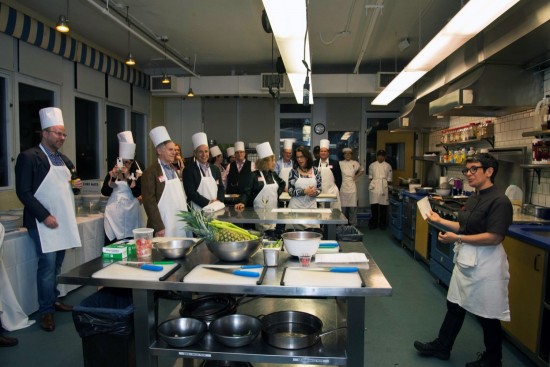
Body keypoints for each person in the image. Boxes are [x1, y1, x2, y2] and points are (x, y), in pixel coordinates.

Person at [414, 153, 513, 367]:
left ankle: (493, 359)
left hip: (487, 263)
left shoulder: (500, 201)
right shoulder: (474, 196)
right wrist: (440, 220)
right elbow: (464, 226)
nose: (468, 174)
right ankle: (442, 346)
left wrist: (456, 238)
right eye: (466, 170)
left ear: (489, 171)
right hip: (467, 259)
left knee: (487, 313)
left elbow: (494, 237)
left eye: (473, 169)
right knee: (455, 304)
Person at [15, 107, 82, 332]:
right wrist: (44, 216)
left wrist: (76, 188)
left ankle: (53, 299)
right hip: (43, 223)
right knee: (47, 267)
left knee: (57, 266)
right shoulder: (29, 157)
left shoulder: (64, 159)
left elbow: (68, 188)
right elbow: (23, 192)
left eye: (64, 134)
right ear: (44, 133)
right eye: (58, 133)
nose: (62, 138)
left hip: (61, 221)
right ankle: (46, 312)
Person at [142, 126, 189, 237]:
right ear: (159, 151)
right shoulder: (150, 172)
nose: (174, 153)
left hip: (179, 222)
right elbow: (149, 202)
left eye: (174, 150)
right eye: (170, 150)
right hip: (164, 224)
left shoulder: (173, 169)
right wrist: (158, 227)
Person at [101, 131, 142, 245]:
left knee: (130, 244)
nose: (125, 165)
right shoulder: (112, 172)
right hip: (114, 214)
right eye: (122, 162)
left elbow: (137, 192)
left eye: (128, 163)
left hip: (131, 214)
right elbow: (105, 191)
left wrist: (128, 177)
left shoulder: (137, 173)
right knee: (113, 244)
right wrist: (113, 178)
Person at [236, 142, 285, 232]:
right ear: (265, 162)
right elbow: (247, 191)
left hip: (274, 213)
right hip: (258, 216)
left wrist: (276, 194)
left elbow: (282, 184)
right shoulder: (254, 175)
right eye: (272, 160)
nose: (274, 163)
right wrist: (242, 202)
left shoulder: (273, 175)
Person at [183, 132, 225, 210]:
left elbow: (221, 187)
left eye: (206, 151)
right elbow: (191, 193)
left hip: (215, 208)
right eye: (200, 152)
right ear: (195, 153)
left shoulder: (215, 169)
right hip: (197, 210)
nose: (204, 154)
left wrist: (219, 201)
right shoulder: (188, 170)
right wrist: (208, 203)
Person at [286, 146, 322, 231]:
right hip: (295, 209)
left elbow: (319, 188)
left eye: (301, 157)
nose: (299, 159)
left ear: (307, 157)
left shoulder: (316, 171)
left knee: (313, 235)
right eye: (297, 157)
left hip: (311, 209)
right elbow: (290, 192)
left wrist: (314, 192)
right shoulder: (293, 172)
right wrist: (304, 191)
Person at [313, 139, 342, 210]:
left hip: (332, 192)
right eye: (321, 151)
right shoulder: (314, 163)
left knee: (333, 212)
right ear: (319, 153)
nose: (323, 153)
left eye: (325, 151)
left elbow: (339, 179)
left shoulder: (334, 163)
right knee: (320, 212)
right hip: (318, 192)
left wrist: (335, 189)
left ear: (328, 153)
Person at [223, 141, 255, 205]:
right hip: (232, 200)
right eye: (237, 153)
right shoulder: (230, 166)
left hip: (246, 200)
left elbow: (255, 182)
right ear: (234, 154)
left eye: (241, 152)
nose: (239, 154)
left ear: (244, 153)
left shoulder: (252, 165)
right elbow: (224, 181)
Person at [339, 147, 364, 225]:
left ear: (351, 154)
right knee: (343, 209)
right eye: (346, 153)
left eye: (349, 153)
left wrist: (356, 176)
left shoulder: (355, 163)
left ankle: (353, 224)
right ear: (343, 155)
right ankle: (342, 225)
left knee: (353, 208)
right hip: (343, 188)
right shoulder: (340, 163)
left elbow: (362, 169)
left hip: (352, 188)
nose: (347, 155)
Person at [368, 149, 392, 230]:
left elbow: (389, 179)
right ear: (377, 156)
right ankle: (374, 223)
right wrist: (373, 185)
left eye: (382, 156)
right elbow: (370, 178)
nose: (380, 157)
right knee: (374, 206)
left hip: (383, 186)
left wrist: (385, 186)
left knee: (383, 206)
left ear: (384, 157)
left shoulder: (388, 166)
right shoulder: (372, 165)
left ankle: (382, 224)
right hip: (374, 185)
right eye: (379, 156)